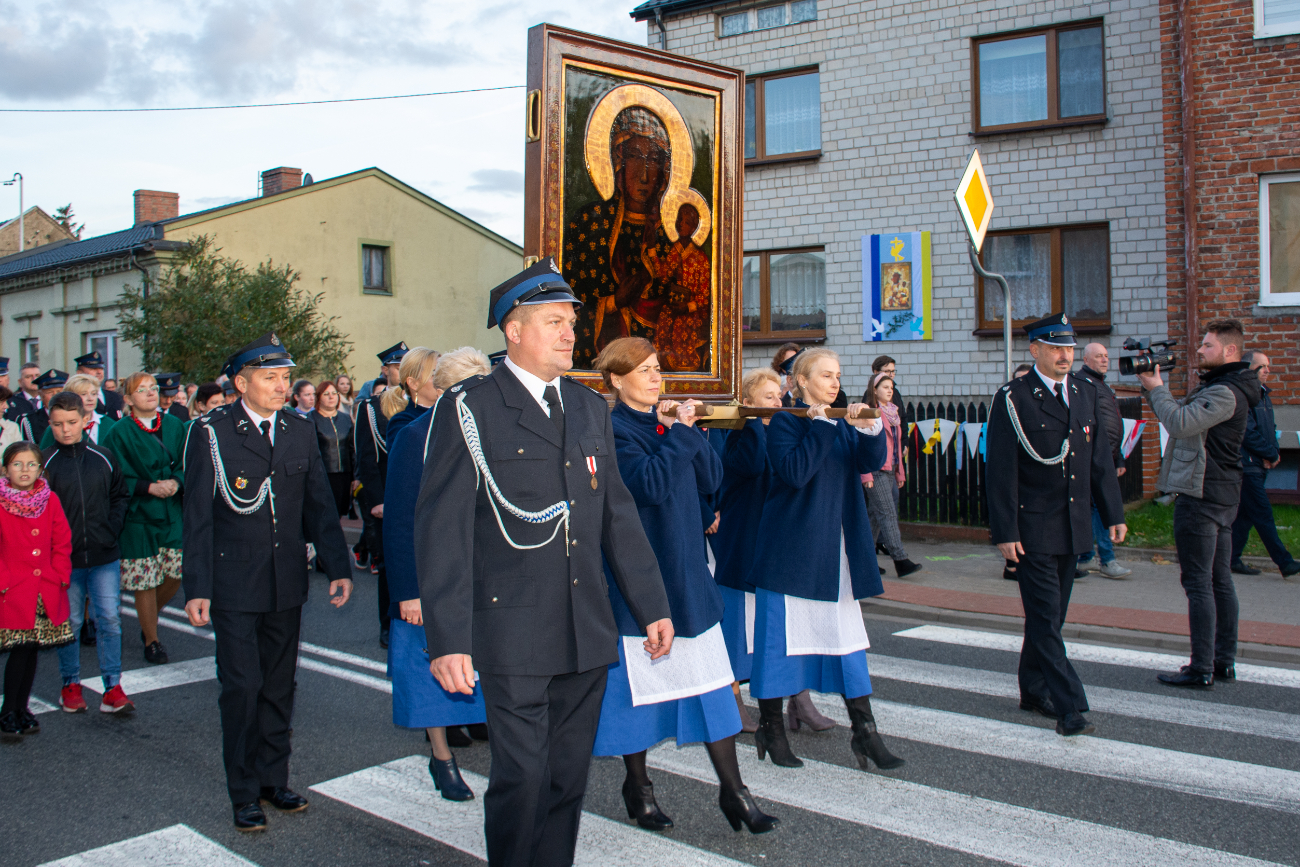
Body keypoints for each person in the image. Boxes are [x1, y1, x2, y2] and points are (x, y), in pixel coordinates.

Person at [415, 258, 674, 867]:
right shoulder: (470, 408)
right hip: (511, 629)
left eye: (570, 322)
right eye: (554, 321)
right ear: (513, 330)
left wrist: (653, 605)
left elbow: (617, 515)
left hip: (584, 625)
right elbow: (443, 531)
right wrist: (447, 640)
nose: (569, 333)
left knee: (566, 779)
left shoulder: (587, 409)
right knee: (522, 778)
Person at [592, 338, 778, 834]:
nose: (657, 378)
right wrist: (678, 433)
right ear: (615, 380)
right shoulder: (610, 431)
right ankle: (639, 787)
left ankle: (734, 792)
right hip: (641, 577)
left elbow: (711, 479)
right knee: (639, 692)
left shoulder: (665, 424)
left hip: (688, 572)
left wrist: (686, 433)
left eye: (658, 369)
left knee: (714, 686)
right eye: (644, 371)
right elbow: (648, 484)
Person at [182, 332, 353, 832]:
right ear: (241, 382)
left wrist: (338, 566)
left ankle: (272, 779)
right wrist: (198, 587)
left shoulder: (298, 429)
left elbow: (319, 503)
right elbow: (197, 516)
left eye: (284, 377)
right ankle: (243, 793)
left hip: (285, 582)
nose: (282, 387)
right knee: (242, 687)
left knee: (279, 686)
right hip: (233, 582)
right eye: (271, 378)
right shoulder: (210, 432)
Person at [746, 347, 906, 770]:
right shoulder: (785, 422)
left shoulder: (839, 420)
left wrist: (869, 428)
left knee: (848, 644)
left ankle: (865, 733)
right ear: (801, 382)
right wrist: (818, 428)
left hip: (837, 555)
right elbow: (795, 473)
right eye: (825, 376)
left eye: (838, 375)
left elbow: (870, 461)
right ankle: (772, 728)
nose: (835, 383)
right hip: (792, 554)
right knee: (778, 646)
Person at [987, 314, 1126, 735]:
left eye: (1069, 348)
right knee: (1046, 617)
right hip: (1032, 529)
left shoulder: (1084, 391)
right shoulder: (1014, 398)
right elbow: (1001, 470)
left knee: (1051, 617)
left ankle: (1032, 690)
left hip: (1073, 524)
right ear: (1035, 351)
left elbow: (1098, 458)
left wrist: (1114, 512)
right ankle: (1069, 706)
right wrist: (1005, 531)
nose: (1065, 355)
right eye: (1055, 348)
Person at [384, 346, 492, 802]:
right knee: (428, 666)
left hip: (485, 574)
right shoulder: (415, 437)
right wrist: (408, 591)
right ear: (445, 391)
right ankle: (441, 756)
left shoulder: (496, 430)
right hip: (432, 577)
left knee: (487, 663)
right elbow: (400, 519)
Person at [1138, 319, 1261, 688]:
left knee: (1200, 583)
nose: (1200, 350)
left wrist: (1158, 389)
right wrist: (1154, 389)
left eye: (1207, 346)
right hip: (1221, 495)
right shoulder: (1226, 387)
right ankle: (1223, 662)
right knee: (1219, 581)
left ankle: (1202, 667)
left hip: (1203, 496)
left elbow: (1178, 423)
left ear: (1229, 351)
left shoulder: (1226, 392)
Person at [43, 392, 134, 715]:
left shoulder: (104, 456)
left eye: (71, 422)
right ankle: (71, 684)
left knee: (108, 619)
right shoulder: (45, 463)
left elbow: (120, 496)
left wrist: (111, 527)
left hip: (103, 555)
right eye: (57, 424)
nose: (65, 430)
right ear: (50, 424)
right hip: (63, 560)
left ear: (85, 420)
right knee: (69, 623)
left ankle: (113, 687)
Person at [102, 372, 187, 666]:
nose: (151, 393)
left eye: (153, 387)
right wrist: (148, 487)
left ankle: (147, 619)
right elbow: (113, 478)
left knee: (175, 574)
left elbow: (191, 463)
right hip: (139, 515)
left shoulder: (177, 425)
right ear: (127, 399)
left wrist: (176, 481)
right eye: (142, 389)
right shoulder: (118, 432)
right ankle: (152, 640)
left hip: (172, 511)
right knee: (145, 582)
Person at [712, 368, 777, 732]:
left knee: (767, 624)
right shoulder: (738, 434)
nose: (777, 404)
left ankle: (794, 698)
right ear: (749, 402)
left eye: (778, 397)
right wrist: (751, 420)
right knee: (735, 623)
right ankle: (731, 695)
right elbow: (750, 467)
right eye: (768, 397)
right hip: (740, 539)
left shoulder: (778, 432)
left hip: (767, 541)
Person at [0, 441, 73, 740]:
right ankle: (8, 711)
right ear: (5, 470)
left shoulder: (50, 499)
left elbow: (62, 540)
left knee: (31, 650)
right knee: (19, 649)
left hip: (44, 587)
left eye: (31, 464)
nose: (25, 470)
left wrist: (59, 575)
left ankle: (21, 707)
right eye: (17, 464)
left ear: (41, 469)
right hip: (12, 589)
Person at [355, 341, 409, 647]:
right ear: (385, 370)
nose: (400, 371)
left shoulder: (422, 404)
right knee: (389, 564)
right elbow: (366, 457)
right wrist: (376, 500)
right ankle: (387, 624)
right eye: (396, 366)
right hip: (387, 497)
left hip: (414, 496)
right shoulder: (371, 409)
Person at [1231, 351, 1299, 578]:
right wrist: (1269, 453)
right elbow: (1247, 433)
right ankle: (1285, 563)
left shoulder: (1263, 395)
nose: (1267, 371)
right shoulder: (1245, 396)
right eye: (1262, 367)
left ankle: (1230, 558)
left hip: (1260, 463)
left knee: (1245, 515)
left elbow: (1269, 427)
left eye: (1268, 366)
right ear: (1249, 370)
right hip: (1247, 465)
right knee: (1262, 514)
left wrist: (1274, 453)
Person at [1074, 343, 1132, 580]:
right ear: (1086, 359)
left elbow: (1113, 423)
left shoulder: (1103, 386)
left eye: (1106, 356)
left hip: (1105, 457)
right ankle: (1105, 559)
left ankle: (1086, 557)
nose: (1105, 360)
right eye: (1099, 356)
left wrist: (1118, 458)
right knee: (1098, 506)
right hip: (1089, 458)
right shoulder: (1080, 383)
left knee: (1094, 507)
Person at [863, 371, 921, 577]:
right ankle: (900, 559)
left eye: (892, 388)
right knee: (887, 513)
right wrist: (866, 475)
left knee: (875, 516)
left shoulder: (893, 413)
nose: (890, 391)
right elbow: (863, 446)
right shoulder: (870, 412)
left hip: (890, 469)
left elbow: (897, 447)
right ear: (875, 390)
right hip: (876, 470)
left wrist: (900, 472)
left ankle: (864, 562)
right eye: (885, 387)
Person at [308, 380, 355, 518]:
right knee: (323, 513)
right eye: (326, 394)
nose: (331, 397)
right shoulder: (311, 419)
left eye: (334, 393)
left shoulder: (346, 419)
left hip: (344, 474)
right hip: (323, 474)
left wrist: (355, 476)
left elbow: (352, 448)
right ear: (319, 397)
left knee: (339, 512)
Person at [38, 374, 116, 451]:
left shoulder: (109, 424)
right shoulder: (58, 427)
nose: (90, 398)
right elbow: (45, 457)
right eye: (83, 394)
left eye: (93, 394)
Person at [17, 369, 69, 444]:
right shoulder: (28, 421)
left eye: (59, 392)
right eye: (49, 392)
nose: (55, 396)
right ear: (40, 395)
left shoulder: (75, 417)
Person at [74, 351, 125, 421]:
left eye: (101, 368)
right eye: (93, 369)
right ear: (80, 373)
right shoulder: (75, 398)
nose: (99, 372)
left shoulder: (117, 397)